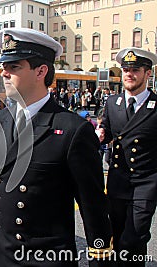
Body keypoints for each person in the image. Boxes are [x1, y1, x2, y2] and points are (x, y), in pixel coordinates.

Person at [0, 28, 112, 266]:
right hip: (1, 253)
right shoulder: (2, 119)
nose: (4, 73)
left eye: (14, 67)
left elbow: (92, 206)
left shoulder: (72, 129)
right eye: (4, 67)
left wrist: (100, 258)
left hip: (45, 257)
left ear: (41, 71)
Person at [98, 47, 157, 267]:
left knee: (134, 237)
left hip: (145, 184)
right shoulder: (113, 103)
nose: (129, 74)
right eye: (125, 69)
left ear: (147, 73)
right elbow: (108, 132)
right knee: (118, 233)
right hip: (117, 182)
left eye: (135, 70)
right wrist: (101, 135)